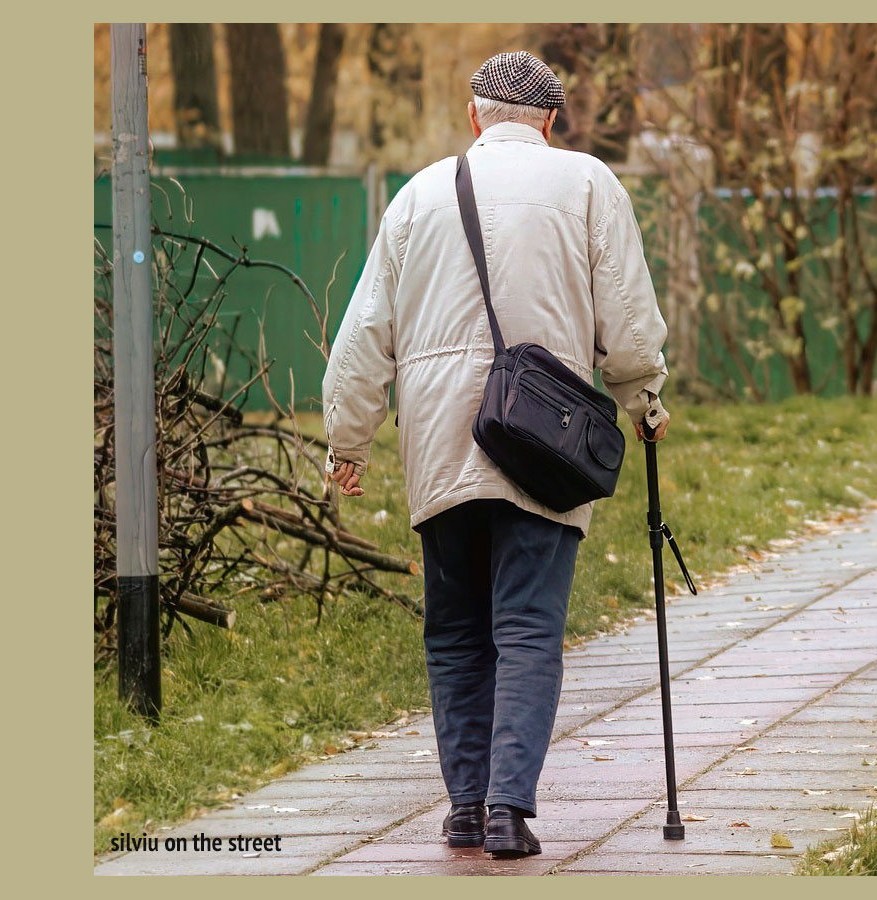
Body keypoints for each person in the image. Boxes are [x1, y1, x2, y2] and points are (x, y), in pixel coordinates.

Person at [320, 50, 671, 859]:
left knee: (453, 635)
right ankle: (509, 810)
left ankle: (463, 810)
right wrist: (643, 401)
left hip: (441, 440)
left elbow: (365, 334)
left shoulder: (415, 197)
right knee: (527, 630)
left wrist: (349, 439)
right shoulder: (588, 184)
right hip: (541, 441)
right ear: (550, 123)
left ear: (474, 117)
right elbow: (626, 315)